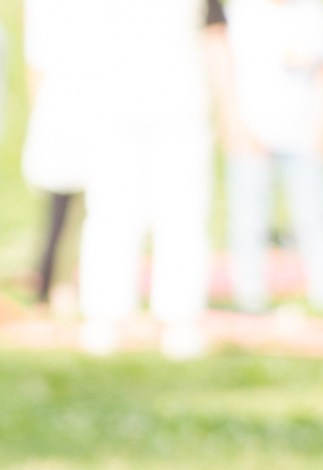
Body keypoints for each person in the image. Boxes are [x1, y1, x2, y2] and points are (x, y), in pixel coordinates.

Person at [78, 0, 238, 359]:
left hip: (182, 108)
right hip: (112, 108)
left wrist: (229, 105)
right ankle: (104, 316)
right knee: (111, 213)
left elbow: (215, 34)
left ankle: (180, 319)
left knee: (183, 215)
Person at [224, 0, 323, 315]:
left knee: (315, 216)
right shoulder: (241, 11)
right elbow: (224, 70)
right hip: (252, 136)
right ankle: (249, 296)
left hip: (303, 136)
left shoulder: (312, 12)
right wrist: (235, 124)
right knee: (249, 219)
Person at [20, 0, 101, 312]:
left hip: (74, 107)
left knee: (77, 210)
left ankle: (62, 283)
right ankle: (55, 284)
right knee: (65, 210)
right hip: (66, 109)